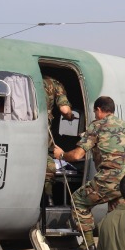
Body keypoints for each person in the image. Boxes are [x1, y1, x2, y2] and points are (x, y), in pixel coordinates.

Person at [53, 96, 125, 250]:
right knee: (115, 218)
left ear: (99, 110)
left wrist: (61, 154)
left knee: (78, 201)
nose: (95, 114)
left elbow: (77, 155)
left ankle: (88, 244)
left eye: (95, 111)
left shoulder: (97, 126)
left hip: (111, 177)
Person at [44, 75, 74, 207]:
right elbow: (64, 109)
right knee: (49, 164)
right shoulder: (55, 84)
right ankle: (48, 199)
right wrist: (70, 116)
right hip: (40, 134)